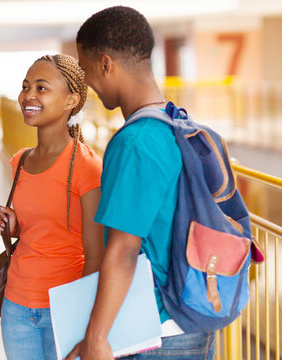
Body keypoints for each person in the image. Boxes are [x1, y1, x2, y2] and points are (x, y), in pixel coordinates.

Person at [67, 6, 215, 360]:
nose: (87, 83)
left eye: (86, 70)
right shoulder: (177, 123)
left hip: (156, 331)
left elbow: (123, 249)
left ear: (105, 64)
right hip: (193, 320)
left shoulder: (135, 141)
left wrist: (96, 338)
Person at [0, 54, 104, 360]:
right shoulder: (21, 160)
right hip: (16, 305)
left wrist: (87, 323)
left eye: (42, 88)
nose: (29, 96)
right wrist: (10, 223)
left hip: (65, 310)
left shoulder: (87, 166)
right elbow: (32, 228)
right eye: (26, 87)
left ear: (71, 101)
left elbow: (96, 255)